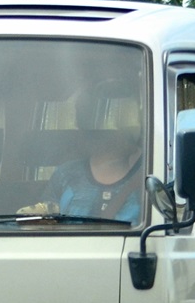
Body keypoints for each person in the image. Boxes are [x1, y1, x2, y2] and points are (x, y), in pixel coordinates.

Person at [41, 84, 145, 222]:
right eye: (88, 123)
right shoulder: (65, 175)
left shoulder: (154, 174)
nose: (99, 132)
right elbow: (44, 225)